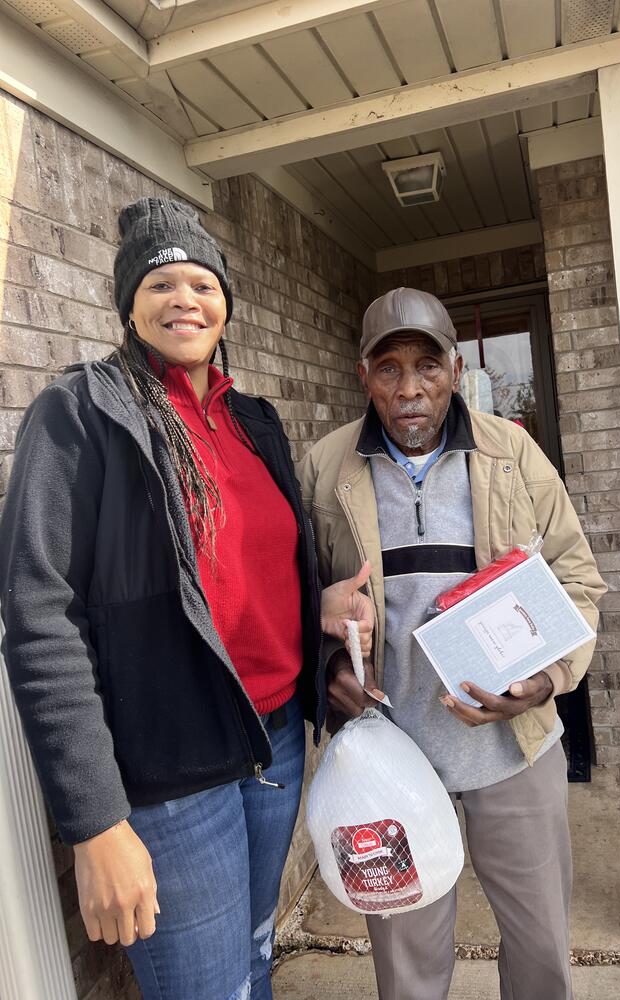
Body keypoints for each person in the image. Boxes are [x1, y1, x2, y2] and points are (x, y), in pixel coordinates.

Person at [0, 197, 373, 1000]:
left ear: (225, 303)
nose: (185, 300)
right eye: (161, 283)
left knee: (252, 966)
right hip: (170, 777)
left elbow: (253, 570)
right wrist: (96, 821)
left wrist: (318, 607)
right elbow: (39, 622)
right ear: (128, 305)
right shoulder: (81, 417)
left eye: (202, 283)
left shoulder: (253, 421)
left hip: (272, 747)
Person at [298, 287, 607, 1000]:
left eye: (428, 367)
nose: (410, 389)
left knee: (541, 949)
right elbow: (292, 602)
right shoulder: (325, 468)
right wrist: (322, 657)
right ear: (363, 376)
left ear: (457, 370)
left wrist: (549, 678)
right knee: (406, 968)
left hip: (513, 748)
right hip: (390, 760)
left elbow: (578, 578)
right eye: (389, 369)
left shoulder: (512, 452)